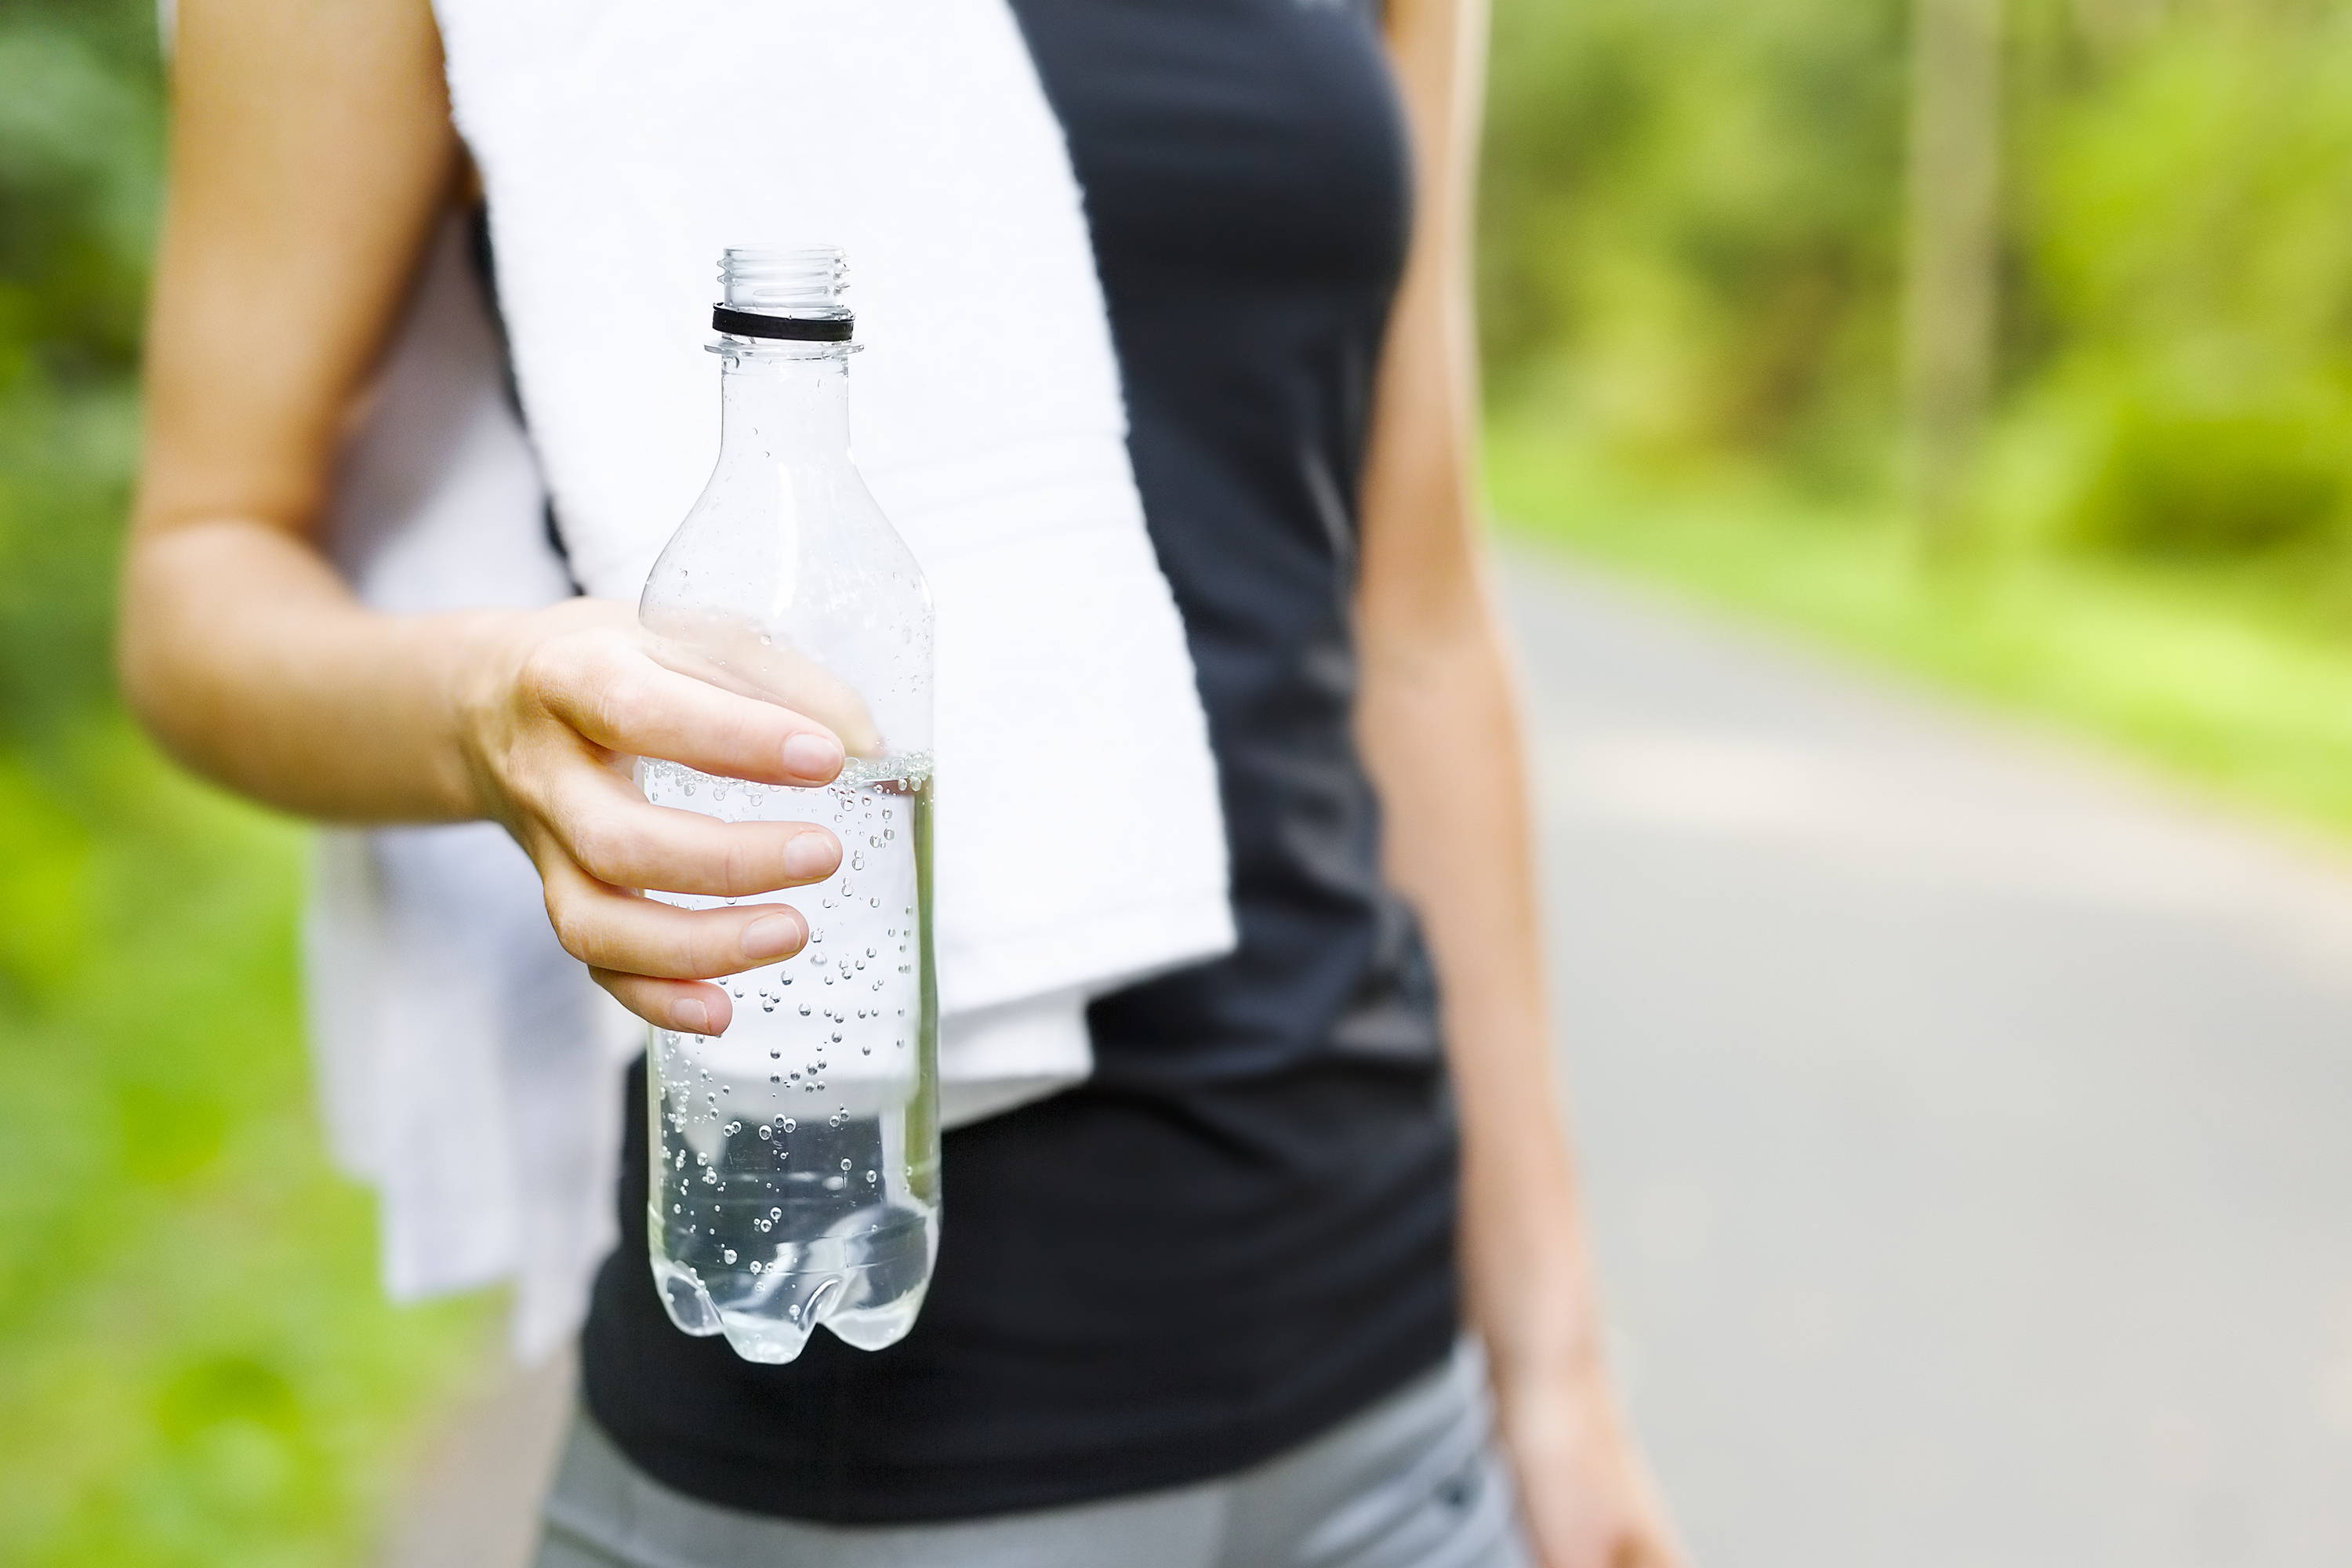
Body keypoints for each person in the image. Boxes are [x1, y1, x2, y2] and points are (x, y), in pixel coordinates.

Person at [120, 0, 1685, 1563]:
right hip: (849, 1451)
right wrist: (479, 709)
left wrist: (1554, 1366)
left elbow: (1412, 619)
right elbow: (200, 569)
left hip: (1392, 1417)